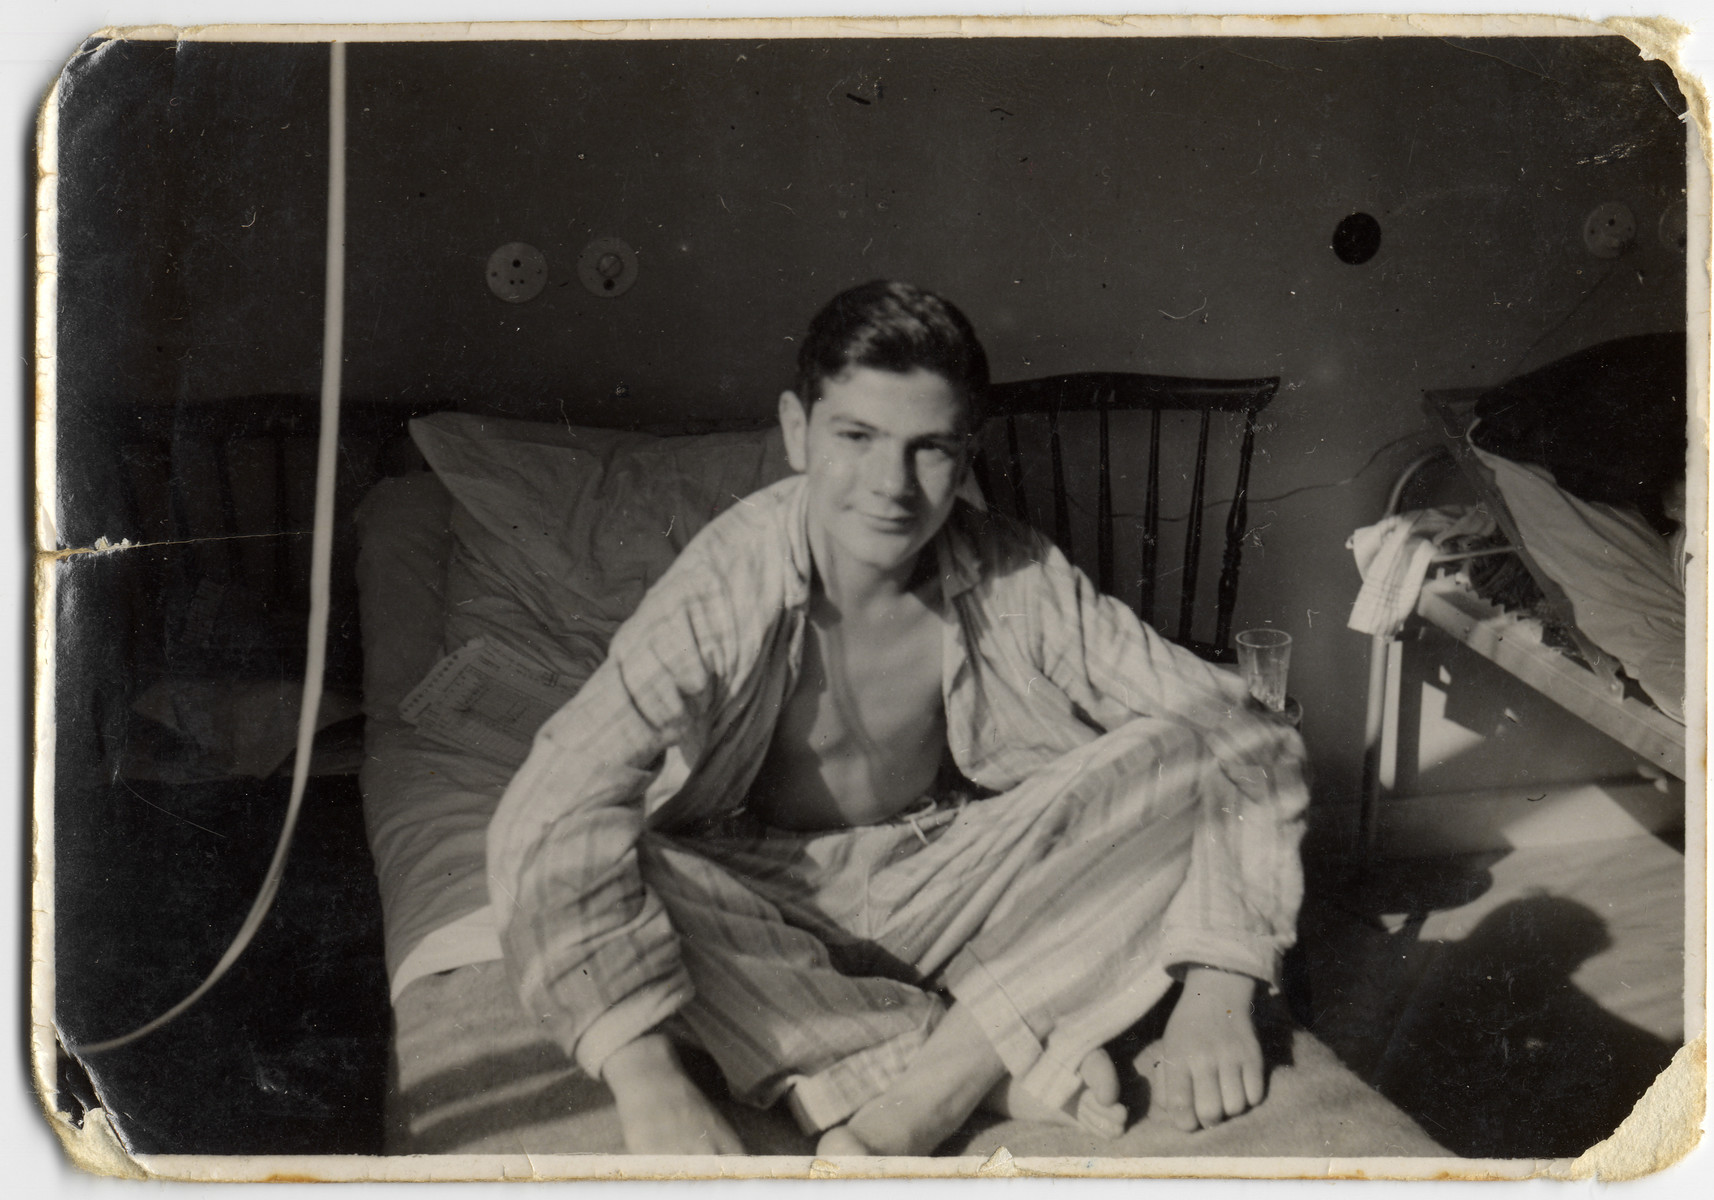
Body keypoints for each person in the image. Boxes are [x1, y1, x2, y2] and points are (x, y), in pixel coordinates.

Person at [486, 280, 1309, 1156]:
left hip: (951, 876)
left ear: (966, 454)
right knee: (609, 860)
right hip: (765, 901)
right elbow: (552, 804)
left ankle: (927, 1089)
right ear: (797, 433)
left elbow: (1246, 730)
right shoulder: (725, 581)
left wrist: (1221, 986)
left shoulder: (1015, 572)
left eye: (928, 449)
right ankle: (994, 1046)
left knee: (1178, 752)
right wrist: (649, 1083)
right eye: (856, 437)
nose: (891, 486)